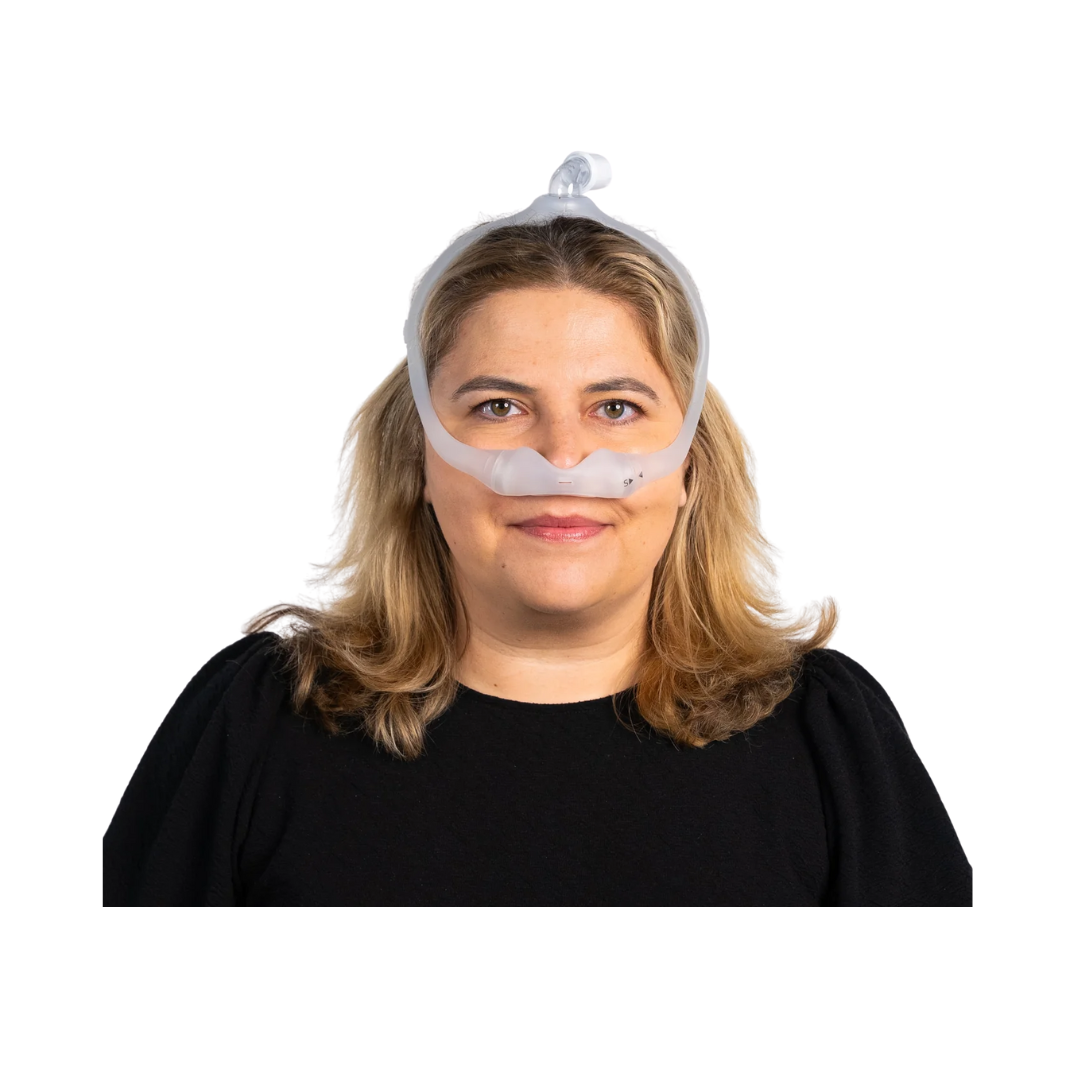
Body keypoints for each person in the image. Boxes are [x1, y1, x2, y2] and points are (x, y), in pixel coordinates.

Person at [103, 170, 972, 906]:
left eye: (616, 407)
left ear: (690, 465)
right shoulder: (256, 723)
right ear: (418, 457)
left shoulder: (829, 740)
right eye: (499, 406)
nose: (562, 459)